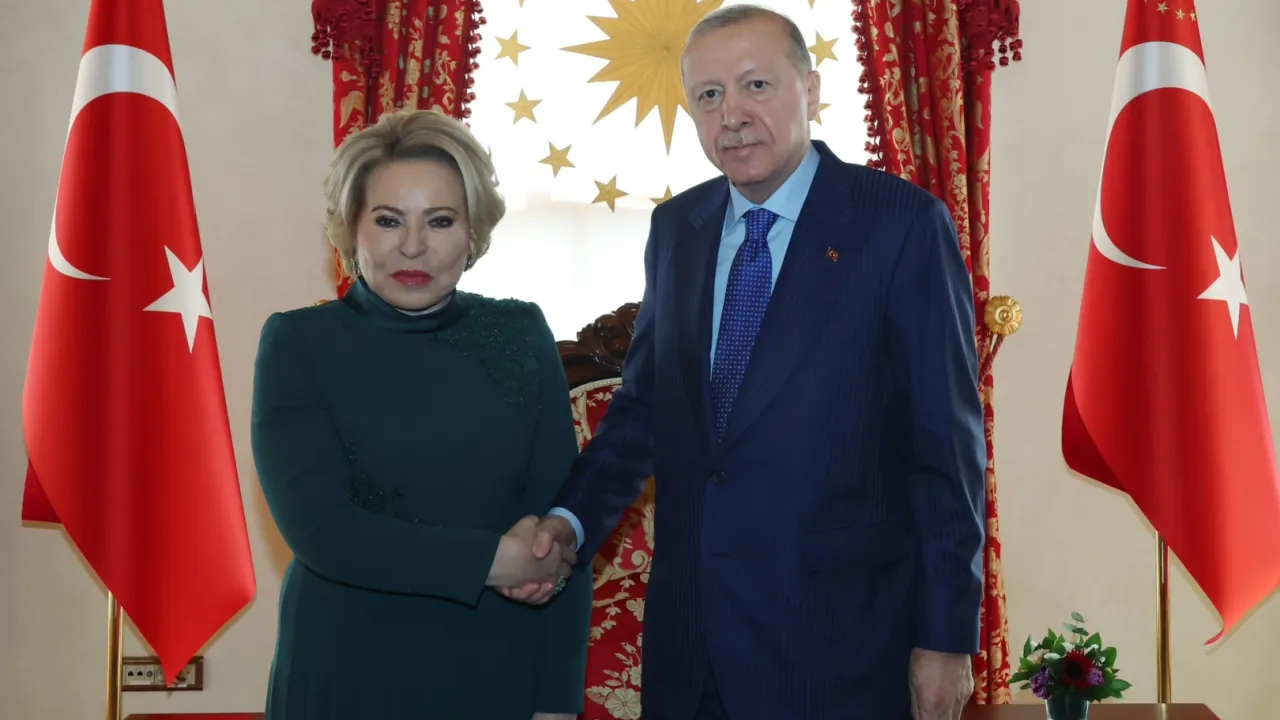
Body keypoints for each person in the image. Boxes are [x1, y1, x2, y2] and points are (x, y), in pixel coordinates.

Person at [501, 5, 987, 720]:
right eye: (709, 95)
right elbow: (642, 415)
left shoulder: (901, 224)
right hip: (690, 651)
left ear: (811, 90)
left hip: (840, 652)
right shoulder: (678, 228)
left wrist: (945, 639)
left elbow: (945, 451)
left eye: (756, 85)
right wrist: (567, 525)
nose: (731, 114)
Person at [250, 109, 591, 720]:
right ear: (350, 229)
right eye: (388, 220)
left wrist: (558, 704)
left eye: (440, 220)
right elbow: (323, 532)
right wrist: (496, 561)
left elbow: (561, 528)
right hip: (346, 673)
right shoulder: (298, 343)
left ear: (473, 233)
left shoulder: (520, 331)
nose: (413, 246)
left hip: (498, 673)